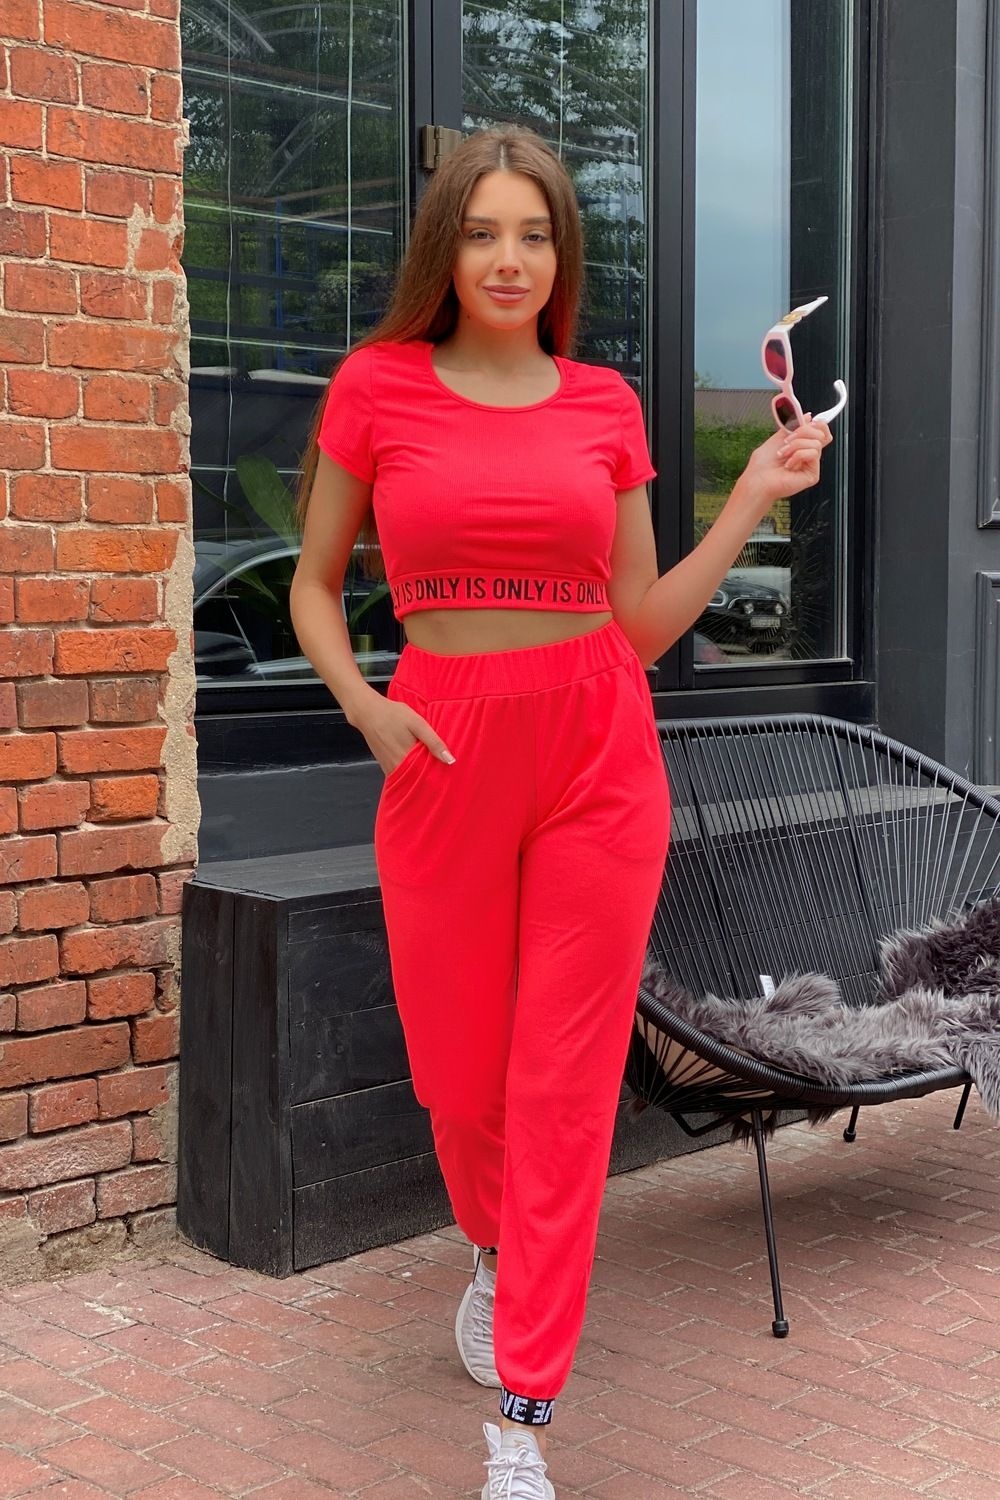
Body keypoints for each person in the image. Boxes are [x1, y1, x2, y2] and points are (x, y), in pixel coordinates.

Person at [289, 125, 832, 1500]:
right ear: (446, 248)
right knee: (460, 1076)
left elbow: (637, 624)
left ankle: (522, 1423)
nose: (510, 258)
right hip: (441, 749)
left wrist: (748, 500)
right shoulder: (377, 386)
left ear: (561, 255)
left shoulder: (604, 406)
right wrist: (365, 706)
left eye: (534, 234)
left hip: (598, 751)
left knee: (565, 1084)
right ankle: (495, 1245)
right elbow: (313, 583)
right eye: (483, 232)